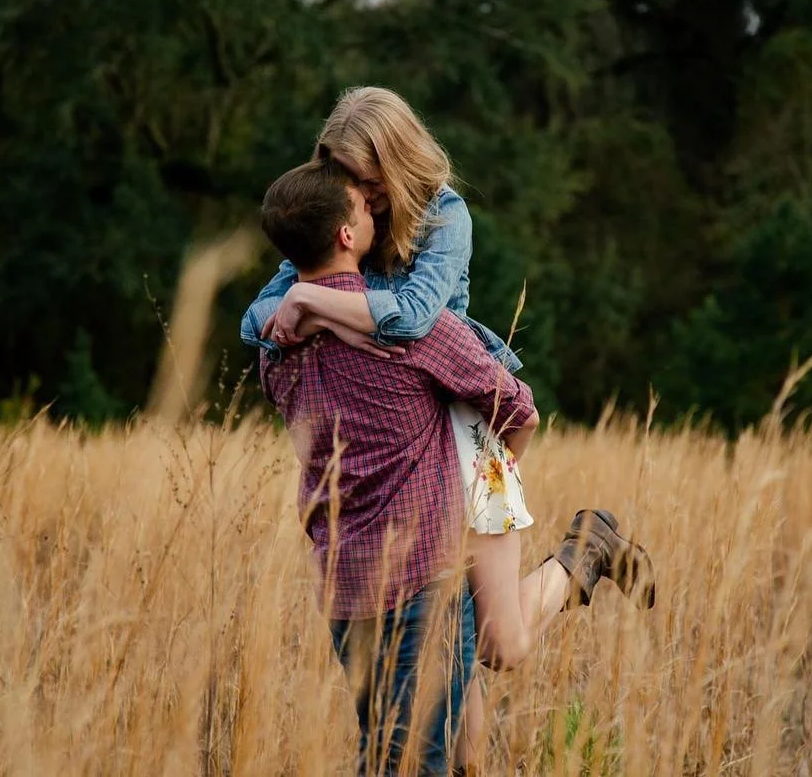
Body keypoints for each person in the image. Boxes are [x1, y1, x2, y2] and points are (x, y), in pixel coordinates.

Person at [245, 91, 656, 772]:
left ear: (396, 160)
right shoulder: (334, 215)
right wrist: (301, 303)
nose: (362, 195)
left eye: (368, 178)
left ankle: (587, 549)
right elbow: (255, 317)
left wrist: (312, 301)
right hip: (402, 435)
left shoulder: (442, 215)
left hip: (464, 427)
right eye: (346, 177)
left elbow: (409, 318)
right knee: (457, 672)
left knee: (504, 647)